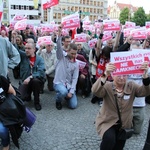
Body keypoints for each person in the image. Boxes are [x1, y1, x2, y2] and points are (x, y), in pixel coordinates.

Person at [92, 62, 150, 150]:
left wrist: (145, 77)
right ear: (113, 75)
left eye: (125, 75)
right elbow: (95, 91)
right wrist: (105, 74)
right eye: (119, 75)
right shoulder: (107, 86)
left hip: (124, 124)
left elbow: (145, 92)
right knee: (109, 139)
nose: (122, 78)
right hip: (107, 121)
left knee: (119, 147)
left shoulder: (131, 86)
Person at [53, 25, 79, 110]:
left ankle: (65, 96)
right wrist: (59, 35)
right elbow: (59, 48)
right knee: (63, 92)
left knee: (73, 105)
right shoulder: (61, 56)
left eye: (75, 54)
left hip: (68, 85)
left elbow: (75, 78)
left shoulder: (76, 63)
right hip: (58, 83)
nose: (74, 56)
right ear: (67, 51)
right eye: (72, 53)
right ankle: (58, 100)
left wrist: (71, 92)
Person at [19, 42, 46, 111]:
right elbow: (14, 49)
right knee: (19, 97)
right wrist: (13, 38)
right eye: (25, 48)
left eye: (29, 48)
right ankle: (28, 95)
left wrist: (31, 77)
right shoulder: (23, 57)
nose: (26, 50)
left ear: (34, 49)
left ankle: (37, 102)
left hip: (36, 81)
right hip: (25, 81)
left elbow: (41, 71)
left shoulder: (40, 59)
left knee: (35, 81)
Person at [0, 75, 16, 150]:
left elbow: (13, 93)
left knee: (2, 129)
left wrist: (9, 107)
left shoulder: (1, 79)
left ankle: (6, 144)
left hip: (3, 112)